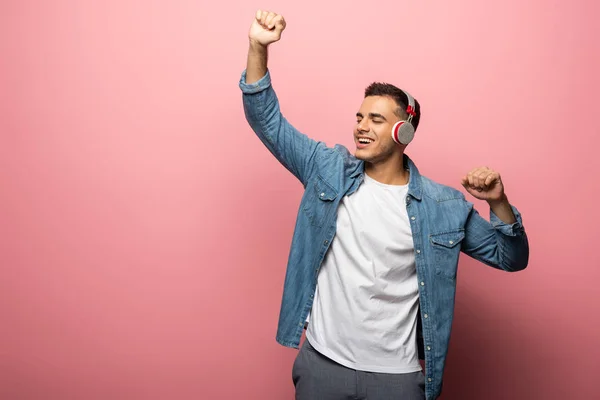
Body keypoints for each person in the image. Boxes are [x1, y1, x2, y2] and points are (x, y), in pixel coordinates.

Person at [238, 10, 529, 400]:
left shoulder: (443, 206)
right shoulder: (327, 169)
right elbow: (267, 120)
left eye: (375, 119)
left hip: (396, 379)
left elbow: (511, 257)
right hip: (323, 365)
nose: (360, 126)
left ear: (403, 131)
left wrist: (498, 202)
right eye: (359, 116)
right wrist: (258, 45)